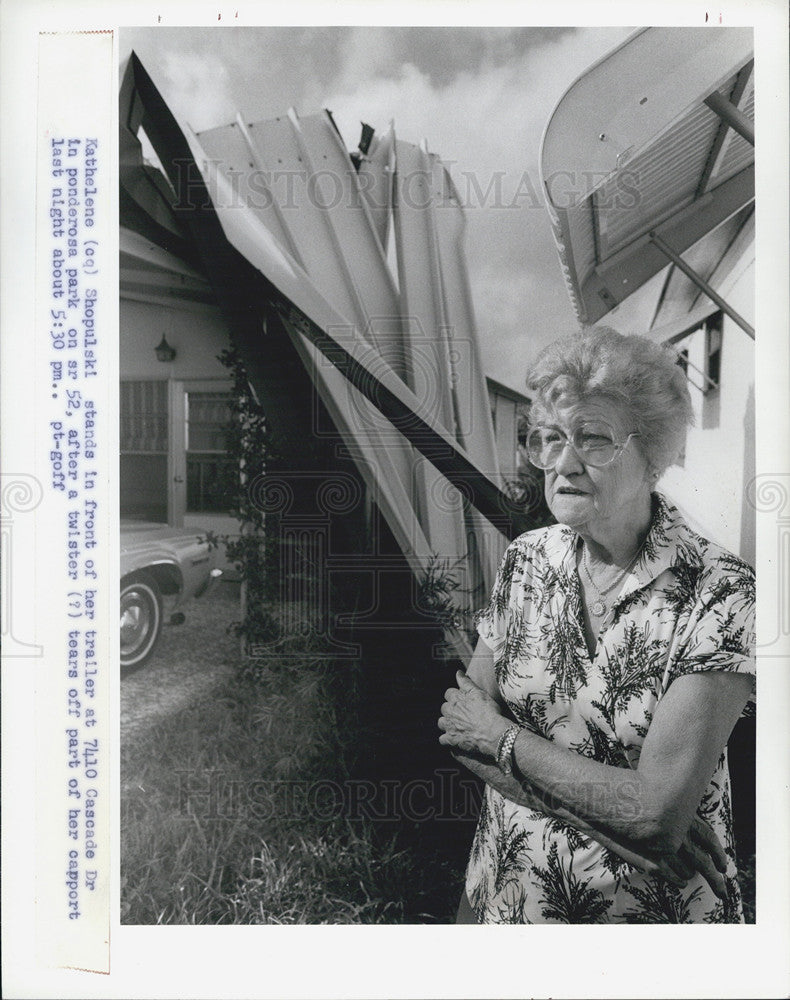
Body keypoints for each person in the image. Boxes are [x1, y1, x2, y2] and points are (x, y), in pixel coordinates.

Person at [439, 326, 755, 924]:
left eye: (592, 439)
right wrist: (615, 829)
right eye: (551, 438)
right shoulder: (527, 559)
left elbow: (658, 815)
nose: (562, 464)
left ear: (654, 456)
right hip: (507, 893)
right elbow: (462, 729)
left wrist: (503, 740)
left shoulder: (722, 594)